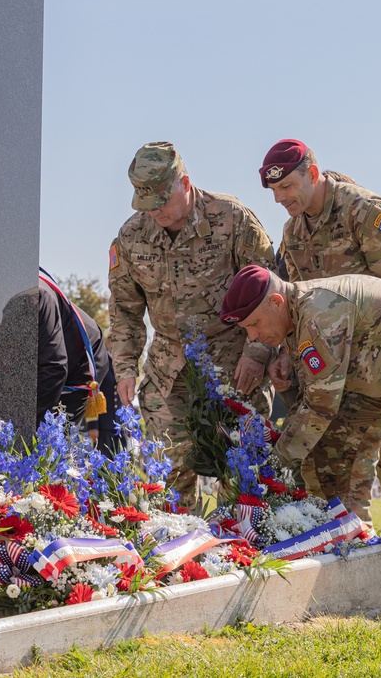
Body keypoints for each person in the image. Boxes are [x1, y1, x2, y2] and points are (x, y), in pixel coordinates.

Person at [219, 265, 381, 628]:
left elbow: (320, 406)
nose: (255, 337)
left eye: (254, 325)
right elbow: (314, 404)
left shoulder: (321, 311)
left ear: (277, 302)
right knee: (324, 458)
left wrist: (270, 468)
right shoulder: (297, 321)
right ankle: (346, 561)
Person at [257, 138, 381, 596]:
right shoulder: (293, 234)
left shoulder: (364, 213)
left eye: (288, 187)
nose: (281, 199)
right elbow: (296, 308)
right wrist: (286, 355)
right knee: (342, 476)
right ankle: (363, 572)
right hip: (336, 380)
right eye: (274, 192)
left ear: (313, 173)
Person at [108, 142, 277, 506]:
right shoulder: (131, 237)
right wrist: (123, 368)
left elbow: (273, 291)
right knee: (167, 483)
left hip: (235, 368)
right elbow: (124, 308)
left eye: (161, 202)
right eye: (145, 204)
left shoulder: (232, 218)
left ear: (184, 184)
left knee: (243, 478)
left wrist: (258, 353)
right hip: (168, 374)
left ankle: (246, 557)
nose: (154, 213)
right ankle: (182, 558)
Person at [38, 268, 121, 455]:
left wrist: (33, 422)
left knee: (53, 444)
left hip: (79, 369)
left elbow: (55, 367)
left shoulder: (42, 296)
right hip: (56, 369)